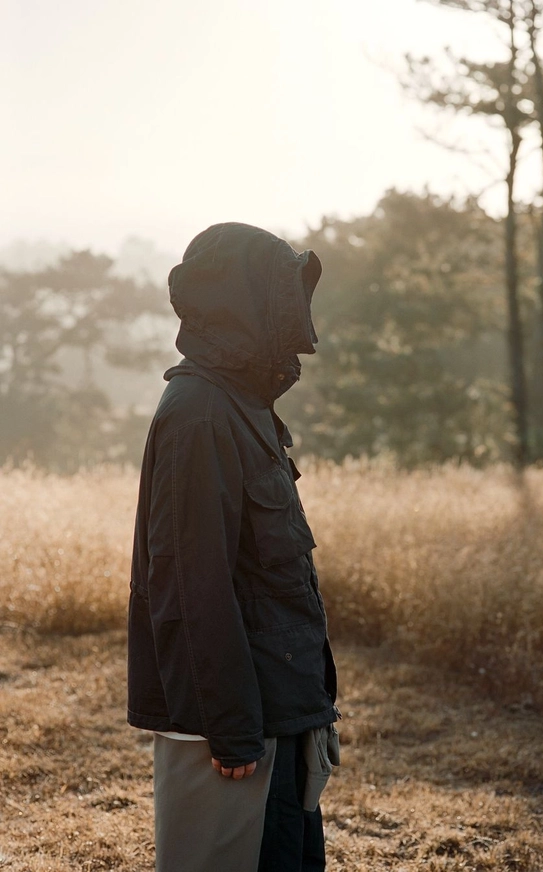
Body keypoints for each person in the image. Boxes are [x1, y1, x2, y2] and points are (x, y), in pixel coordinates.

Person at [126, 222, 339, 872]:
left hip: (281, 711)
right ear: (240, 305)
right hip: (241, 732)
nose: (295, 317)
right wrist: (232, 725)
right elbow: (193, 586)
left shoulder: (242, 405)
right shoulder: (199, 413)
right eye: (279, 296)